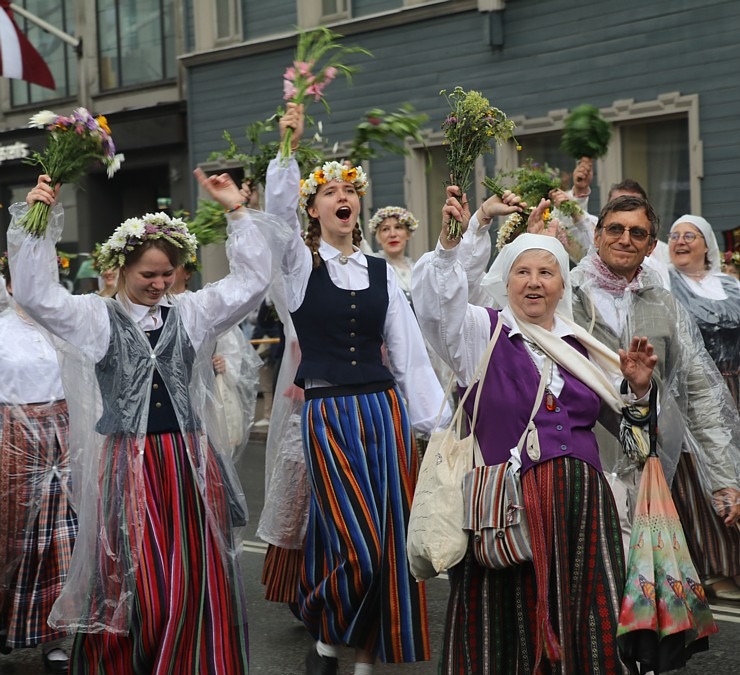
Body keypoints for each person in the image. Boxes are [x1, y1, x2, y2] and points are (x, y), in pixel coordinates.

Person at [8, 170, 276, 673]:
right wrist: (37, 222)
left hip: (186, 463)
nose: (158, 284)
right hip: (126, 466)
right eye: (147, 275)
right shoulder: (95, 318)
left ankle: (189, 661)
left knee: (193, 574)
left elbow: (251, 282)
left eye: (166, 274)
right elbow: (37, 295)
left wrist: (235, 211)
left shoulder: (192, 314)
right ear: (120, 268)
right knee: (132, 576)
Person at [412, 190, 657, 674]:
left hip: (583, 509)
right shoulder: (480, 333)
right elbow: (437, 307)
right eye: (522, 272)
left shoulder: (582, 347)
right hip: (505, 508)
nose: (534, 283)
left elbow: (637, 446)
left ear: (562, 286)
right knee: (506, 627)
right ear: (505, 280)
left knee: (586, 622)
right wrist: (454, 242)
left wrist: (639, 390)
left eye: (546, 273)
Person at [262, 101, 451, 675]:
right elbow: (275, 219)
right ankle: (324, 629)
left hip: (383, 411)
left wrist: (435, 425)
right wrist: (288, 149)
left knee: (388, 538)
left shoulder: (381, 272)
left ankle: (364, 656)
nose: (344, 197)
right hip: (327, 412)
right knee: (356, 541)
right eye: (330, 191)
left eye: (351, 190)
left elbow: (410, 354)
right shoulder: (299, 265)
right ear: (313, 207)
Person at [569, 196, 740, 600]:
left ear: (650, 246)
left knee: (647, 594)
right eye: (615, 229)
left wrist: (724, 479)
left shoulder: (664, 303)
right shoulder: (565, 294)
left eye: (638, 233)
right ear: (596, 235)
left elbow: (701, 393)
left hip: (648, 468)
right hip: (579, 464)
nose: (625, 239)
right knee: (585, 591)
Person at [0, 256, 77, 674]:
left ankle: (54, 636)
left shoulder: (65, 329)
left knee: (61, 537)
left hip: (65, 437)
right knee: (13, 537)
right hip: (12, 438)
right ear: (10, 286)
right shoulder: (1, 331)